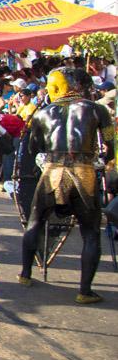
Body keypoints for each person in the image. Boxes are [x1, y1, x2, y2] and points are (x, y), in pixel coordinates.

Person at [19, 68, 114, 304]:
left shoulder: (42, 113)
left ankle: (25, 274)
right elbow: (111, 145)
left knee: (35, 221)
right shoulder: (97, 109)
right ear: (82, 86)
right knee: (91, 233)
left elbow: (33, 148)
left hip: (52, 171)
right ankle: (84, 291)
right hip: (84, 172)